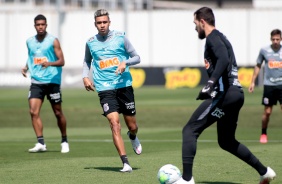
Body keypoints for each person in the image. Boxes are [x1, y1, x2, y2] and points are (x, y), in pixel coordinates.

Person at [175, 7, 276, 184]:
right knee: (226, 141)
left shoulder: (213, 38)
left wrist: (210, 83)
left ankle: (187, 179)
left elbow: (223, 59)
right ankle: (264, 171)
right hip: (236, 95)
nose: (195, 28)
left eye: (195, 23)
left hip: (225, 95)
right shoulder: (220, 37)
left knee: (189, 130)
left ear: (202, 21)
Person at [82, 9, 142, 172]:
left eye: (104, 22)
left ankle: (133, 136)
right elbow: (87, 61)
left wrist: (126, 63)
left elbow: (137, 57)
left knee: (132, 126)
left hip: (124, 86)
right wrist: (85, 77)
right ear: (95, 24)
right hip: (104, 88)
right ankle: (125, 163)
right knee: (114, 124)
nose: (102, 25)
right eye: (99, 23)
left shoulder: (120, 38)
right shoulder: (90, 42)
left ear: (109, 22)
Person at [21, 14, 69, 153]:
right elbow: (31, 57)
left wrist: (49, 63)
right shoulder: (29, 41)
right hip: (36, 81)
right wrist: (26, 67)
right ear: (35, 26)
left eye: (43, 24)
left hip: (52, 81)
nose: (40, 27)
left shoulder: (53, 40)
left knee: (58, 113)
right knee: (33, 111)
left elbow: (62, 61)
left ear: (46, 25)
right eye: (38, 25)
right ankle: (41, 142)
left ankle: (64, 140)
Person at [248, 29, 282, 144]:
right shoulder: (264, 51)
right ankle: (263, 133)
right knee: (267, 112)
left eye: (277, 39)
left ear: (281, 39)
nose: (275, 41)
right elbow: (258, 65)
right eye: (273, 39)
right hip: (269, 85)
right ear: (270, 39)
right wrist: (253, 81)